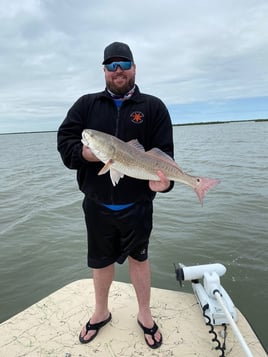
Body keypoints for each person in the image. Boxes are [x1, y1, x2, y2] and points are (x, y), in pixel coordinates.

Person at [57, 41, 174, 349]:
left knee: (140, 259)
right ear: (104, 70)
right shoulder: (85, 105)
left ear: (134, 68)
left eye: (124, 65)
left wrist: (167, 183)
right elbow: (66, 143)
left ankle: (145, 315)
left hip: (138, 205)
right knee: (100, 261)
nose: (118, 71)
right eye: (111, 65)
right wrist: (85, 153)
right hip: (96, 204)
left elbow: (165, 157)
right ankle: (101, 312)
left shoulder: (154, 107)